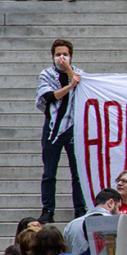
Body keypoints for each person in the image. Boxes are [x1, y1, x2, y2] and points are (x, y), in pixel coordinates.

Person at [37, 39, 87, 223]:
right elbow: (50, 96)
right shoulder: (46, 74)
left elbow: (83, 89)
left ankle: (80, 209)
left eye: (65, 54)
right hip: (53, 128)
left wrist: (69, 71)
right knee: (49, 173)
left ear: (71, 56)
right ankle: (48, 210)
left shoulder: (79, 73)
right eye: (58, 54)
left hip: (74, 129)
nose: (62, 58)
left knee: (78, 173)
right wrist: (69, 85)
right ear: (52, 57)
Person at [63, 188, 121, 255]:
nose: (119, 212)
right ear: (111, 203)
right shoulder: (116, 224)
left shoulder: (71, 225)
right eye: (119, 208)